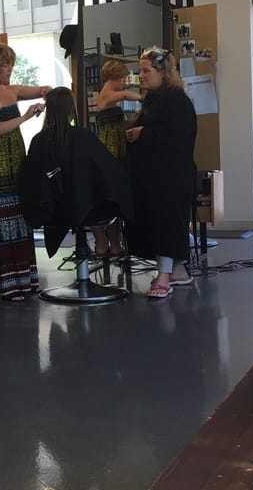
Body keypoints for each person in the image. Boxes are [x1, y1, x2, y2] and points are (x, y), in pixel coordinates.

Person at [0, 41, 52, 301]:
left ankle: (24, 280)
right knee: (1, 224)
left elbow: (42, 89)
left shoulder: (13, 90)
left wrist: (48, 93)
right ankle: (6, 283)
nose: (9, 69)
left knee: (19, 219)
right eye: (4, 65)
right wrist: (25, 117)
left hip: (16, 160)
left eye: (10, 64)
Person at [20, 86, 132, 256]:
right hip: (83, 207)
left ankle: (101, 243)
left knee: (87, 192)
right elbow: (111, 173)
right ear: (72, 110)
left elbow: (31, 179)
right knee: (108, 189)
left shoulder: (38, 140)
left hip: (54, 208)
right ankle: (113, 245)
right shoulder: (83, 137)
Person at [125, 46, 197, 300]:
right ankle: (178, 271)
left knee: (166, 223)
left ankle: (164, 276)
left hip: (172, 176)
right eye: (140, 70)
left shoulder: (175, 99)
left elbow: (178, 137)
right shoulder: (154, 100)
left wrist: (143, 133)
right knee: (158, 222)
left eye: (146, 71)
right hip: (156, 175)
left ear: (162, 71)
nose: (141, 75)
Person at [91, 59, 142, 256]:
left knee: (116, 195)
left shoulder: (111, 97)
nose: (123, 82)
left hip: (117, 142)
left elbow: (122, 123)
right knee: (112, 194)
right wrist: (144, 98)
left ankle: (115, 243)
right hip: (109, 145)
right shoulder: (105, 95)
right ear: (114, 77)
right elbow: (126, 94)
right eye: (122, 78)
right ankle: (109, 243)